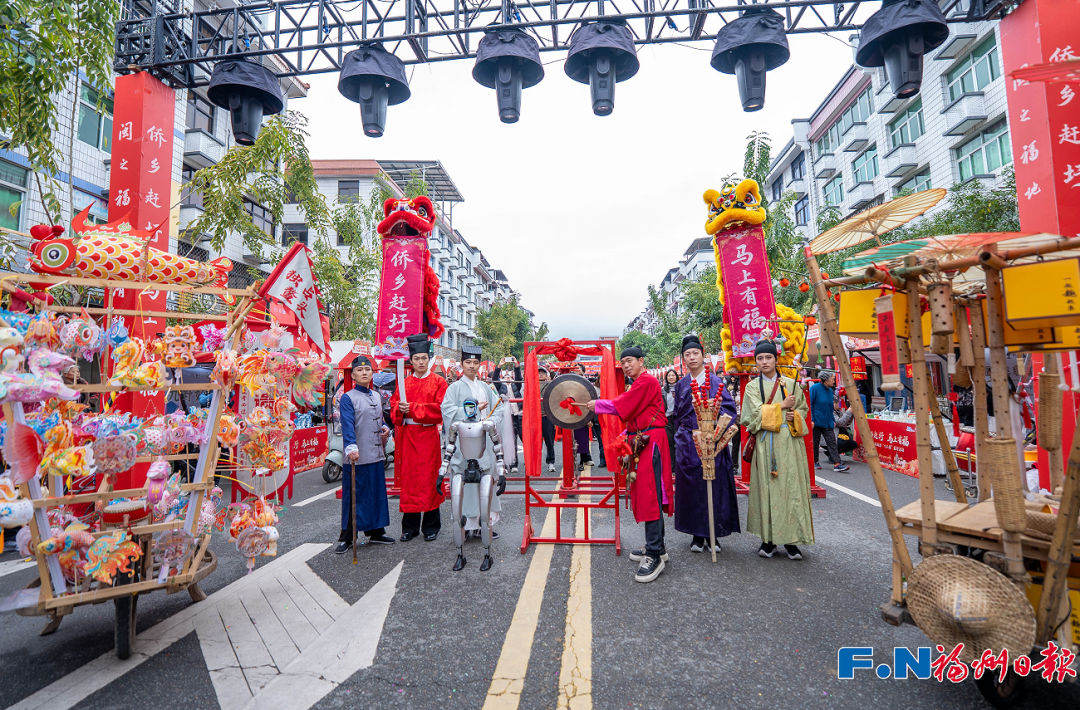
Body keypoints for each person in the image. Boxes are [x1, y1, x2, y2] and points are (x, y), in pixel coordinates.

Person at [585, 346, 673, 583]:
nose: (626, 365)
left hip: (651, 442)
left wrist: (597, 405)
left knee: (650, 495)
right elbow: (635, 415)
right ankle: (657, 547)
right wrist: (624, 435)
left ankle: (654, 554)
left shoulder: (645, 382)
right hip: (643, 440)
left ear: (641, 361)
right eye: (623, 362)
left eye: (630, 361)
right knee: (647, 494)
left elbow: (621, 405)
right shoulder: (640, 383)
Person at [740, 338, 813, 561]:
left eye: (768, 357)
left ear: (776, 359)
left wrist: (796, 417)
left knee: (791, 489)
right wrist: (781, 406)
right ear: (756, 361)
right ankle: (768, 540)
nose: (764, 362)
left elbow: (803, 409)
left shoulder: (791, 384)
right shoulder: (753, 387)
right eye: (760, 358)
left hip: (789, 443)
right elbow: (751, 417)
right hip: (765, 443)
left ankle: (792, 541)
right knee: (767, 491)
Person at [672, 335, 740, 553]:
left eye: (695, 353)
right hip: (689, 443)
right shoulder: (681, 384)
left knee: (715, 486)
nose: (692, 358)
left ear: (703, 356)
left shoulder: (717, 383)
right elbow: (676, 416)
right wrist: (681, 438)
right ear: (683, 359)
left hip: (713, 442)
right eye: (687, 355)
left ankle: (714, 534)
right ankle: (696, 535)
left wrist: (716, 419)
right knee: (692, 487)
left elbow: (731, 411)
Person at [442, 345, 505, 543]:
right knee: (464, 483)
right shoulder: (454, 388)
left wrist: (490, 422)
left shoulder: (486, 387)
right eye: (468, 362)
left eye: (475, 362)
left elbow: (499, 407)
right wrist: (472, 410)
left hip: (484, 440)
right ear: (462, 364)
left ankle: (484, 524)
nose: (472, 366)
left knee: (486, 480)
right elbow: (447, 411)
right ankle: (466, 525)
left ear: (479, 365)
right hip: (464, 441)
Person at [389, 334, 448, 542]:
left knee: (430, 479)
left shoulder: (439, 382)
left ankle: (431, 525)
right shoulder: (404, 383)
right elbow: (393, 410)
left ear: (429, 359)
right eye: (417, 359)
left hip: (428, 437)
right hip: (408, 438)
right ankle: (410, 527)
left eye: (424, 358)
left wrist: (412, 408)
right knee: (410, 481)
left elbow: (442, 411)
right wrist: (399, 410)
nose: (421, 362)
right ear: (411, 361)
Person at [336, 355, 395, 554]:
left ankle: (376, 531)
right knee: (354, 496)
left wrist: (386, 428)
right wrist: (351, 446)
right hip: (357, 455)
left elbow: (380, 420)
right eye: (359, 370)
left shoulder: (376, 396)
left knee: (376, 494)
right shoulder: (348, 397)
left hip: (376, 453)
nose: (364, 373)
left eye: (367, 370)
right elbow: (347, 424)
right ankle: (346, 537)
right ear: (353, 375)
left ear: (372, 373)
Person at [809, 371, 849, 473]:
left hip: (827, 420)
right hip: (816, 420)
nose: (834, 381)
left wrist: (832, 419)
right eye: (832, 379)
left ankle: (837, 464)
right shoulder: (814, 388)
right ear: (825, 380)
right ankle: (815, 461)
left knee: (832, 442)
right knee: (815, 442)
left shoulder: (830, 390)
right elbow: (810, 404)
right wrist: (812, 419)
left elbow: (831, 407)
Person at [573, 364, 594, 470]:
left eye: (578, 368)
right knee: (571, 439)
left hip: (583, 413)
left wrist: (588, 418)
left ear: (583, 371)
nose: (576, 370)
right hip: (570, 414)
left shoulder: (587, 384)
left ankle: (582, 461)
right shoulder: (569, 382)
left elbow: (590, 401)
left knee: (582, 439)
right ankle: (572, 461)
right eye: (574, 368)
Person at [539, 366, 557, 472]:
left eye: (542, 373)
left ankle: (550, 462)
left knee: (549, 441)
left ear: (546, 376)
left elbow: (557, 380)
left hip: (547, 416)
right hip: (536, 417)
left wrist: (551, 371)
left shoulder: (550, 384)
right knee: (536, 442)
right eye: (539, 373)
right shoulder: (531, 385)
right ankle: (535, 464)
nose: (540, 374)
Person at [663, 369, 679, 469]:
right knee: (669, 442)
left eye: (673, 375)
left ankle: (678, 466)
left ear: (676, 377)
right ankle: (671, 466)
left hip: (678, 418)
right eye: (669, 375)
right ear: (666, 378)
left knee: (678, 442)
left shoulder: (681, 388)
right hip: (667, 417)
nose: (671, 377)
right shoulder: (663, 390)